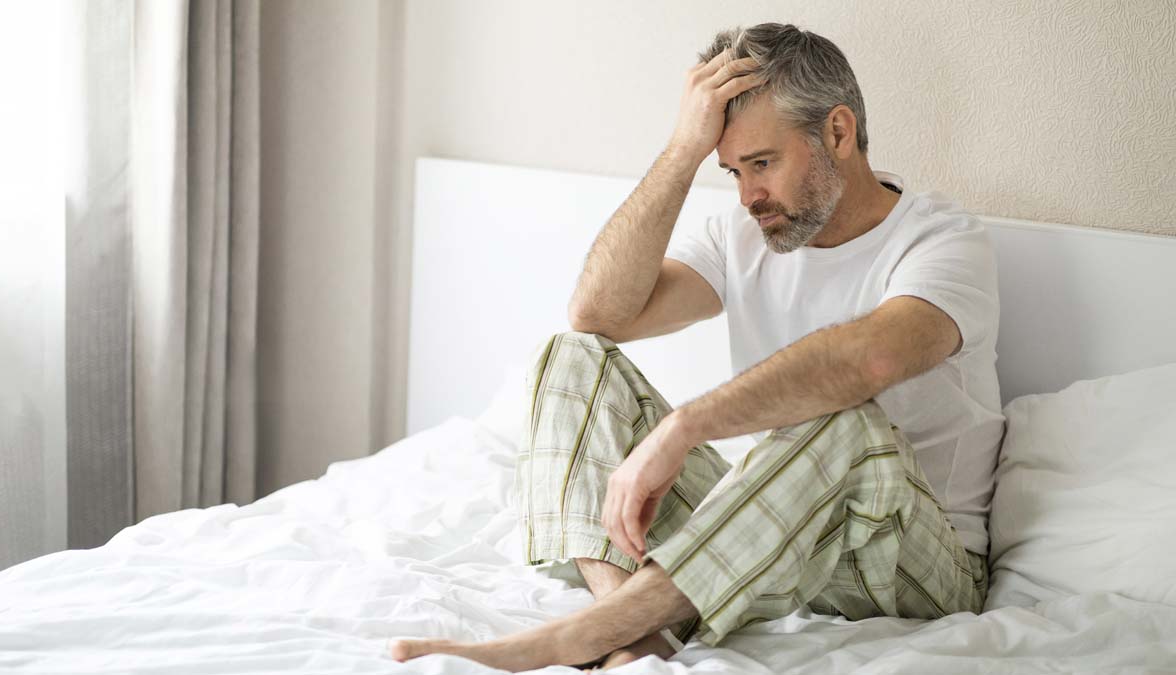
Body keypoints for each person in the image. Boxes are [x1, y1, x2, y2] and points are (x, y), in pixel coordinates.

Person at [391, 22, 1003, 672]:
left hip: (914, 561)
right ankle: (626, 622)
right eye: (733, 170)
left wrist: (684, 426)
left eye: (762, 163)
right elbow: (597, 313)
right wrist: (682, 150)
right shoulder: (742, 235)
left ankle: (576, 638)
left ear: (838, 132)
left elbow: (869, 360)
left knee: (845, 416)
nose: (748, 196)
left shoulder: (942, 243)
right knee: (571, 354)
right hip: (774, 533)